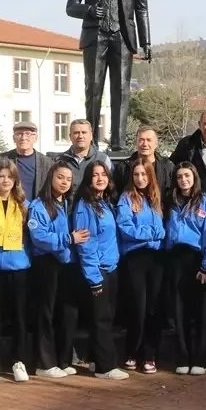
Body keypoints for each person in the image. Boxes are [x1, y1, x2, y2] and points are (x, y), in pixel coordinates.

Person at [65, 0, 152, 151]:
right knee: (93, 88)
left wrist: (146, 42)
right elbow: (71, 6)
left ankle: (118, 142)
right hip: (96, 35)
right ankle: (91, 143)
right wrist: (90, 10)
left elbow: (141, 9)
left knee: (121, 90)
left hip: (123, 37)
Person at [27, 162, 83, 378]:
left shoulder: (70, 204)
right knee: (46, 313)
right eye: (60, 177)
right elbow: (39, 237)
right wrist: (68, 238)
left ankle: (63, 359)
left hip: (67, 264)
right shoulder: (39, 205)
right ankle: (45, 362)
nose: (64, 182)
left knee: (67, 313)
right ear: (51, 177)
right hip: (46, 264)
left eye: (68, 179)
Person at [73, 161, 129, 379]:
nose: (100, 178)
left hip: (111, 267)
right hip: (97, 271)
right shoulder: (84, 206)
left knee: (107, 317)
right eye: (95, 175)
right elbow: (85, 243)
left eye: (103, 174)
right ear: (88, 179)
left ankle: (96, 360)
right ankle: (107, 366)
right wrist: (94, 277)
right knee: (101, 319)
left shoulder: (104, 202)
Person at [0, 158, 32, 384]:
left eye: (10, 177)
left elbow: (30, 236)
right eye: (1, 176)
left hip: (18, 267)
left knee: (19, 316)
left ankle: (18, 360)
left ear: (15, 179)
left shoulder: (23, 204)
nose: (5, 181)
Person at [116, 156, 166, 374]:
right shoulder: (126, 198)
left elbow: (163, 228)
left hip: (156, 258)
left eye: (144, 174)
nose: (140, 178)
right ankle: (132, 351)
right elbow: (125, 226)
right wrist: (148, 234)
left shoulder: (156, 198)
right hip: (135, 257)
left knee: (154, 307)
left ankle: (149, 354)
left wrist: (158, 234)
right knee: (138, 306)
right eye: (136, 174)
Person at [167, 162, 206, 375]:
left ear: (194, 177)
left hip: (199, 259)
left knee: (201, 311)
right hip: (175, 259)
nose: (184, 180)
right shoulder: (170, 203)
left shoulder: (205, 202)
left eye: (187, 176)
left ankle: (200, 357)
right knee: (180, 311)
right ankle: (182, 356)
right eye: (179, 177)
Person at [114, 126, 176, 202]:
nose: (145, 144)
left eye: (149, 140)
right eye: (141, 140)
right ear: (136, 143)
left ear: (156, 144)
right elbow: (115, 195)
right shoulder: (123, 167)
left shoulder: (168, 167)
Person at [2, 121, 52, 202]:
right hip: (11, 209)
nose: (23, 138)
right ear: (14, 138)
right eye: (19, 134)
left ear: (35, 138)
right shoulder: (3, 160)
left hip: (37, 210)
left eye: (28, 134)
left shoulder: (47, 163)